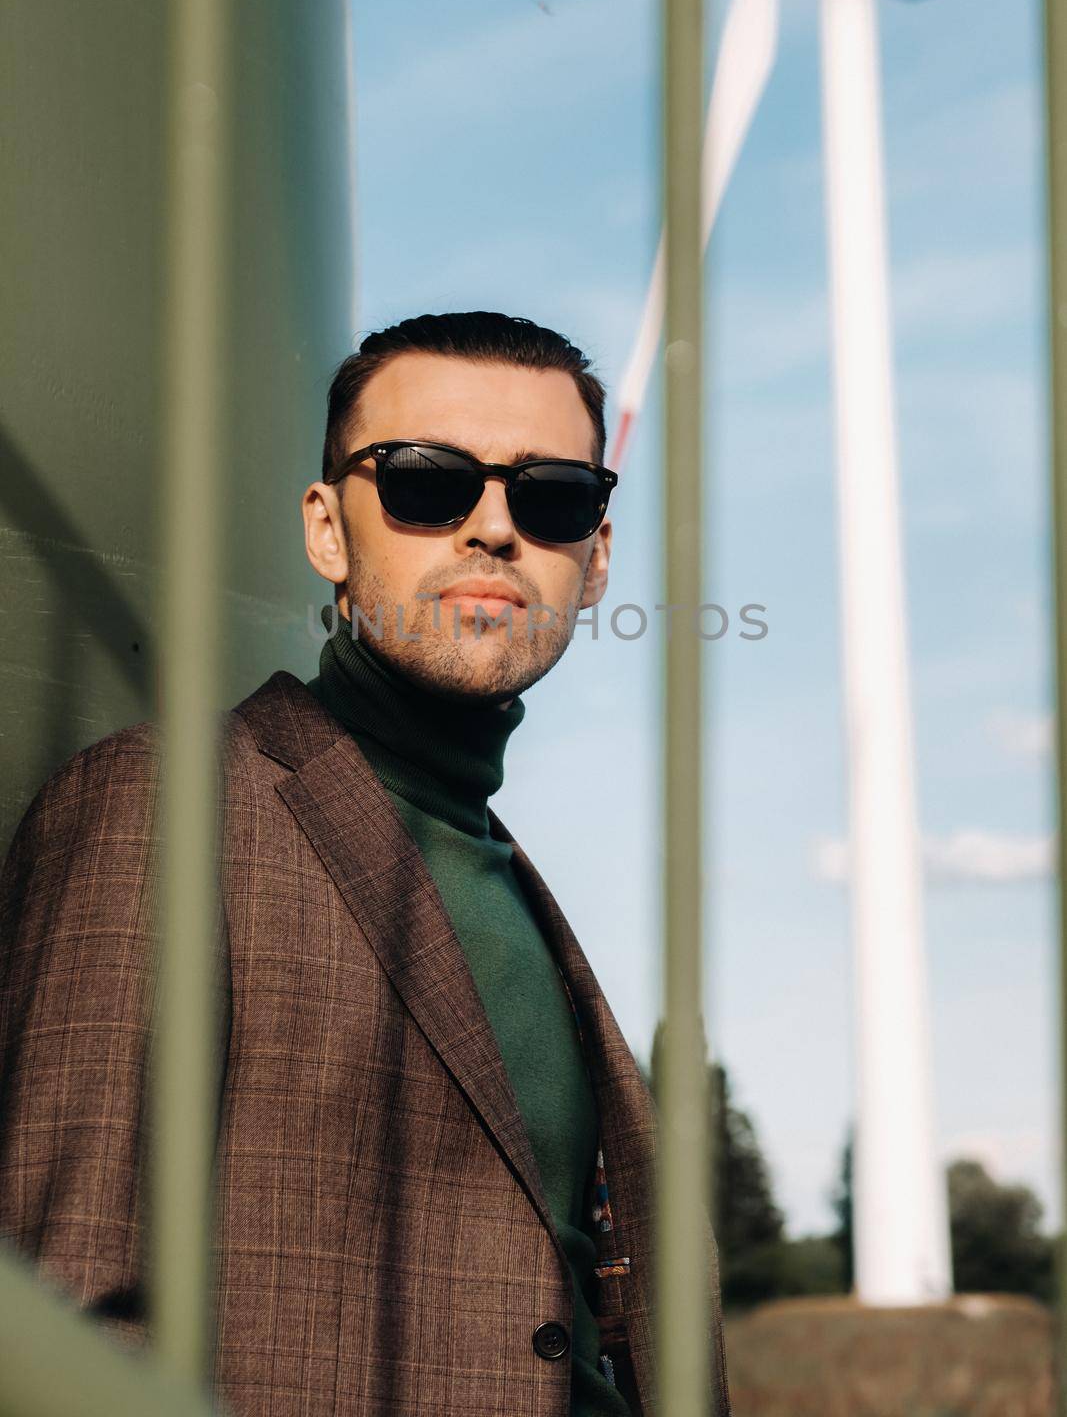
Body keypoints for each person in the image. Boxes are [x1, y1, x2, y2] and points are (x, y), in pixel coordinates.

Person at [0, 310, 730, 1416]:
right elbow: (61, 1315)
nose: (493, 528)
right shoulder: (165, 805)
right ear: (328, 530)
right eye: (426, 482)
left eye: (551, 497)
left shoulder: (504, 879)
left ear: (595, 559)